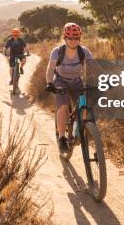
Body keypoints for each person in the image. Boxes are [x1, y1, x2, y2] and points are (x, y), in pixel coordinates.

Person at [45, 22, 97, 154]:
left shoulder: (83, 51)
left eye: (76, 38)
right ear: (65, 38)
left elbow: (95, 68)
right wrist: (49, 83)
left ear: (80, 38)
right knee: (63, 106)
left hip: (77, 82)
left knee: (83, 105)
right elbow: (50, 69)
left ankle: (78, 131)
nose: (73, 41)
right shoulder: (57, 52)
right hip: (61, 82)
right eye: (70, 38)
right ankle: (62, 138)